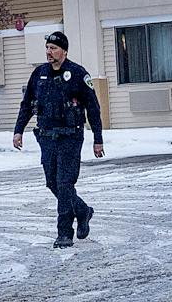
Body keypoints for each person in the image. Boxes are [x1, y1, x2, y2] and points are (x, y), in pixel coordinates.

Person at [11, 29, 104, 247]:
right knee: (52, 182)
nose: (49, 52)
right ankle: (82, 211)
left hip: (70, 137)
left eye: (53, 48)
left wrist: (97, 139)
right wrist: (18, 130)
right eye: (47, 48)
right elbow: (27, 105)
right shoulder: (39, 74)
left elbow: (93, 108)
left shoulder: (78, 74)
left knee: (64, 183)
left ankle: (64, 233)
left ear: (64, 51)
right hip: (47, 137)